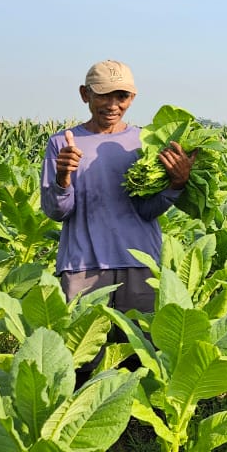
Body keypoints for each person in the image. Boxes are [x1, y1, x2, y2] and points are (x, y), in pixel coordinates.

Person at [41, 59, 194, 316]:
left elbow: (147, 211)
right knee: (84, 351)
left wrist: (176, 184)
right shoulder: (62, 144)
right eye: (103, 95)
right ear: (84, 94)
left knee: (141, 351)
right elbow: (57, 212)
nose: (113, 105)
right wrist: (63, 177)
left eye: (121, 96)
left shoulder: (145, 143)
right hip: (82, 266)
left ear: (132, 97)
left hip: (140, 262)